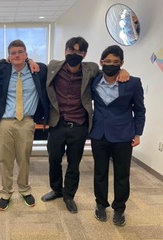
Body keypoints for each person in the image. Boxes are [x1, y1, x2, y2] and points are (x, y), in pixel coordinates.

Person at [41, 37, 129, 214]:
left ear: (85, 54)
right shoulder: (53, 66)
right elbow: (33, 68)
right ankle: (57, 190)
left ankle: (69, 195)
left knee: (74, 163)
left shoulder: (92, 69)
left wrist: (123, 70)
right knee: (54, 160)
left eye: (79, 51)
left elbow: (109, 72)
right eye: (71, 50)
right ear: (65, 51)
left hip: (79, 126)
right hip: (57, 124)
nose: (74, 54)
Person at [90, 45, 145, 226]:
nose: (111, 65)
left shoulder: (133, 83)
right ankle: (100, 204)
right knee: (100, 173)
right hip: (99, 135)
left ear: (121, 64)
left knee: (122, 175)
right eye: (107, 61)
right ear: (101, 62)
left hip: (123, 136)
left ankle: (119, 208)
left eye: (116, 62)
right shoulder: (94, 81)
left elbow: (139, 110)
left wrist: (138, 133)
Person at [0, 39, 49, 210]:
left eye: (20, 52)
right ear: (8, 56)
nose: (17, 55)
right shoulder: (2, 70)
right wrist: (5, 60)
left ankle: (24, 190)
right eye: (13, 53)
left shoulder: (38, 71)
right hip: (4, 122)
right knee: (5, 160)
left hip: (26, 122)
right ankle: (6, 193)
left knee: (24, 158)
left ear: (26, 54)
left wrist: (31, 62)